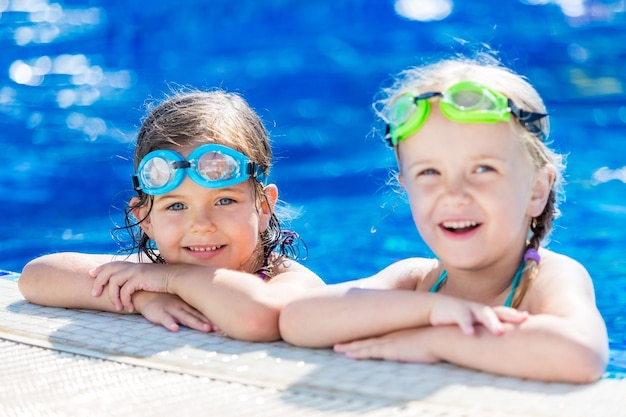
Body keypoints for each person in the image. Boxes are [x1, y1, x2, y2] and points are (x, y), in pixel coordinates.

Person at [279, 54, 609, 383]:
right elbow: (297, 319)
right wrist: (429, 311)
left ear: (537, 190)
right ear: (407, 187)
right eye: (430, 172)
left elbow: (582, 354)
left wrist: (435, 340)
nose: (453, 193)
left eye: (483, 169)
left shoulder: (547, 279)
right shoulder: (416, 282)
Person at [19, 89, 324, 342]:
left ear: (264, 206)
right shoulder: (153, 275)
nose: (202, 225)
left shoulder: (290, 281)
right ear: (146, 219)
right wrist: (141, 298)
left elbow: (257, 318)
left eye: (225, 200)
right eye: (176, 206)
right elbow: (37, 276)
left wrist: (172, 278)